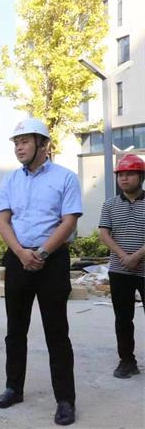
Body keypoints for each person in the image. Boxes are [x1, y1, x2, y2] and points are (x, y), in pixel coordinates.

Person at [0, 117, 81, 426]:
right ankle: (13, 388)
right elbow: (3, 221)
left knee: (56, 332)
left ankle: (65, 400)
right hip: (18, 258)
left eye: (25, 142)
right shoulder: (10, 181)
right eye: (16, 143)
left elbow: (69, 221)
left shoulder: (65, 178)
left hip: (51, 261)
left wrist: (42, 252)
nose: (19, 148)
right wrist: (20, 253)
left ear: (43, 144)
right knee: (15, 329)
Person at [98, 153, 145, 379]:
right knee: (123, 318)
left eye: (130, 174)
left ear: (141, 177)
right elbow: (104, 234)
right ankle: (127, 361)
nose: (124, 179)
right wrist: (124, 256)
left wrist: (136, 256)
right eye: (121, 175)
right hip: (119, 271)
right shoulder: (110, 204)